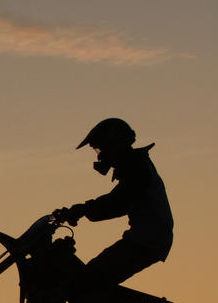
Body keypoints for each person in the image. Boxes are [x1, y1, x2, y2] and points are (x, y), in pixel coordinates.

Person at [53, 118, 173, 292]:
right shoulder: (136, 164)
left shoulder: (136, 167)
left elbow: (118, 202)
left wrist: (84, 209)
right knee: (93, 276)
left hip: (146, 241)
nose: (99, 155)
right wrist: (85, 210)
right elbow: (117, 201)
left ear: (113, 144)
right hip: (146, 239)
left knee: (91, 279)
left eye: (99, 148)